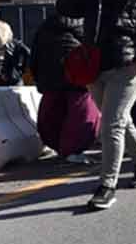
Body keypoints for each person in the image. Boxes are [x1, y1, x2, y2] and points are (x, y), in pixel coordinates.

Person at [56, 0, 136, 210]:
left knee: (111, 125)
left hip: (127, 70)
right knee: (121, 122)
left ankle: (107, 185)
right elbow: (64, 7)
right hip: (95, 71)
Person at [30, 12, 100, 163]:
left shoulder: (44, 27)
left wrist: (38, 78)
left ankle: (60, 147)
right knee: (81, 113)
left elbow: (34, 55)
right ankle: (73, 149)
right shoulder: (87, 25)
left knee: (52, 114)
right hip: (78, 76)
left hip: (50, 78)